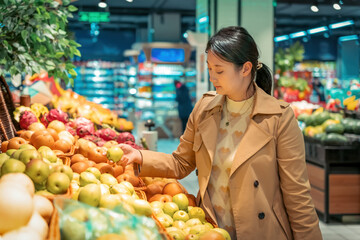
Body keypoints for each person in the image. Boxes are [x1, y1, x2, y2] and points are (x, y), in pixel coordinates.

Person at [119, 26, 322, 240]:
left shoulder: (279, 117)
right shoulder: (205, 109)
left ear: (245, 69)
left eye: (219, 70)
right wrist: (140, 156)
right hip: (210, 230)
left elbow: (297, 195)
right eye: (209, 69)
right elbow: (181, 162)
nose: (212, 77)